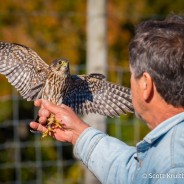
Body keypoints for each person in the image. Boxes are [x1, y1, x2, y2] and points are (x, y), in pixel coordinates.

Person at [30, 15, 184, 184]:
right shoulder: (166, 151)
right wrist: (79, 134)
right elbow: (132, 174)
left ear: (146, 84)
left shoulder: (173, 165)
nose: (130, 87)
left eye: (133, 76)